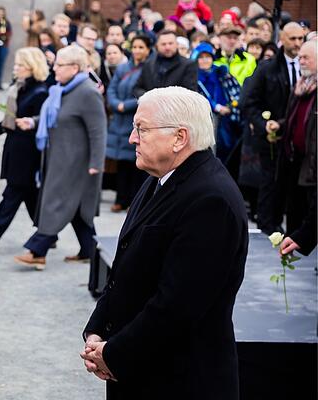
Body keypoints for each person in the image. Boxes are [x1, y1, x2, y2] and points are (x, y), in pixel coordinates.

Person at [82, 86, 248, 399]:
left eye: (141, 128)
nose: (132, 138)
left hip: (181, 380)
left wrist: (113, 353)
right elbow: (125, 269)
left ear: (179, 138)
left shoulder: (210, 200)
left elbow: (177, 305)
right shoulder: (159, 178)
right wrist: (97, 330)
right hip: (142, 368)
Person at [13, 45, 106, 269]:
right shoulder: (61, 89)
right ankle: (89, 250)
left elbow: (98, 130)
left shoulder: (87, 92)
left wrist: (96, 163)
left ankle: (38, 250)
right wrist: (33, 122)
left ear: (75, 68)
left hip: (78, 163)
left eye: (59, 65)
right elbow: (57, 117)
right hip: (60, 159)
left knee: (56, 203)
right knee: (76, 209)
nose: (54, 68)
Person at [0, 48, 50, 249]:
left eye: (20, 65)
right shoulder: (20, 87)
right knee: (29, 195)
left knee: (12, 194)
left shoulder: (40, 92)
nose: (15, 68)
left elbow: (40, 124)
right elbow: (11, 117)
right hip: (15, 148)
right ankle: (48, 233)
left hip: (27, 152)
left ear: (32, 67)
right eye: (15, 64)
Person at [241, 22, 305, 234]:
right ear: (282, 40)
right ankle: (269, 223)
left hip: (300, 136)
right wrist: (263, 124)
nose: (297, 43)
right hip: (271, 137)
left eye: (300, 39)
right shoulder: (267, 68)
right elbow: (248, 101)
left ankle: (295, 227)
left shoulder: (309, 68)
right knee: (271, 180)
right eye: (293, 39)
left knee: (295, 183)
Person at [106, 33, 151, 212]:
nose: (137, 50)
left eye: (141, 47)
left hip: (136, 117)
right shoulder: (123, 68)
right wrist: (117, 104)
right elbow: (112, 89)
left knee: (137, 162)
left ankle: (134, 200)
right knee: (122, 161)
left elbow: (147, 92)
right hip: (119, 119)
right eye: (134, 47)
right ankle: (121, 198)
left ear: (148, 49)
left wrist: (128, 105)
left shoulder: (149, 68)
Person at [277, 39, 317, 240]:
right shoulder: (301, 86)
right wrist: (280, 125)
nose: (300, 61)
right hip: (296, 160)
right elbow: (296, 118)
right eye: (299, 57)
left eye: (305, 57)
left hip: (314, 163)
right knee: (296, 211)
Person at [195, 42, 244, 175]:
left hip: (226, 119)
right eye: (201, 57)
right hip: (205, 119)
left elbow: (235, 92)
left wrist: (230, 106)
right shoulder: (194, 76)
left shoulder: (221, 73)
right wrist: (216, 107)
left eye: (208, 57)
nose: (205, 60)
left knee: (227, 148)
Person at [133, 30, 197, 98]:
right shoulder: (148, 64)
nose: (167, 47)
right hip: (152, 106)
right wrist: (150, 98)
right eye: (163, 44)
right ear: (157, 46)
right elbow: (137, 88)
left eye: (170, 43)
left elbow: (190, 92)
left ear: (177, 44)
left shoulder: (188, 65)